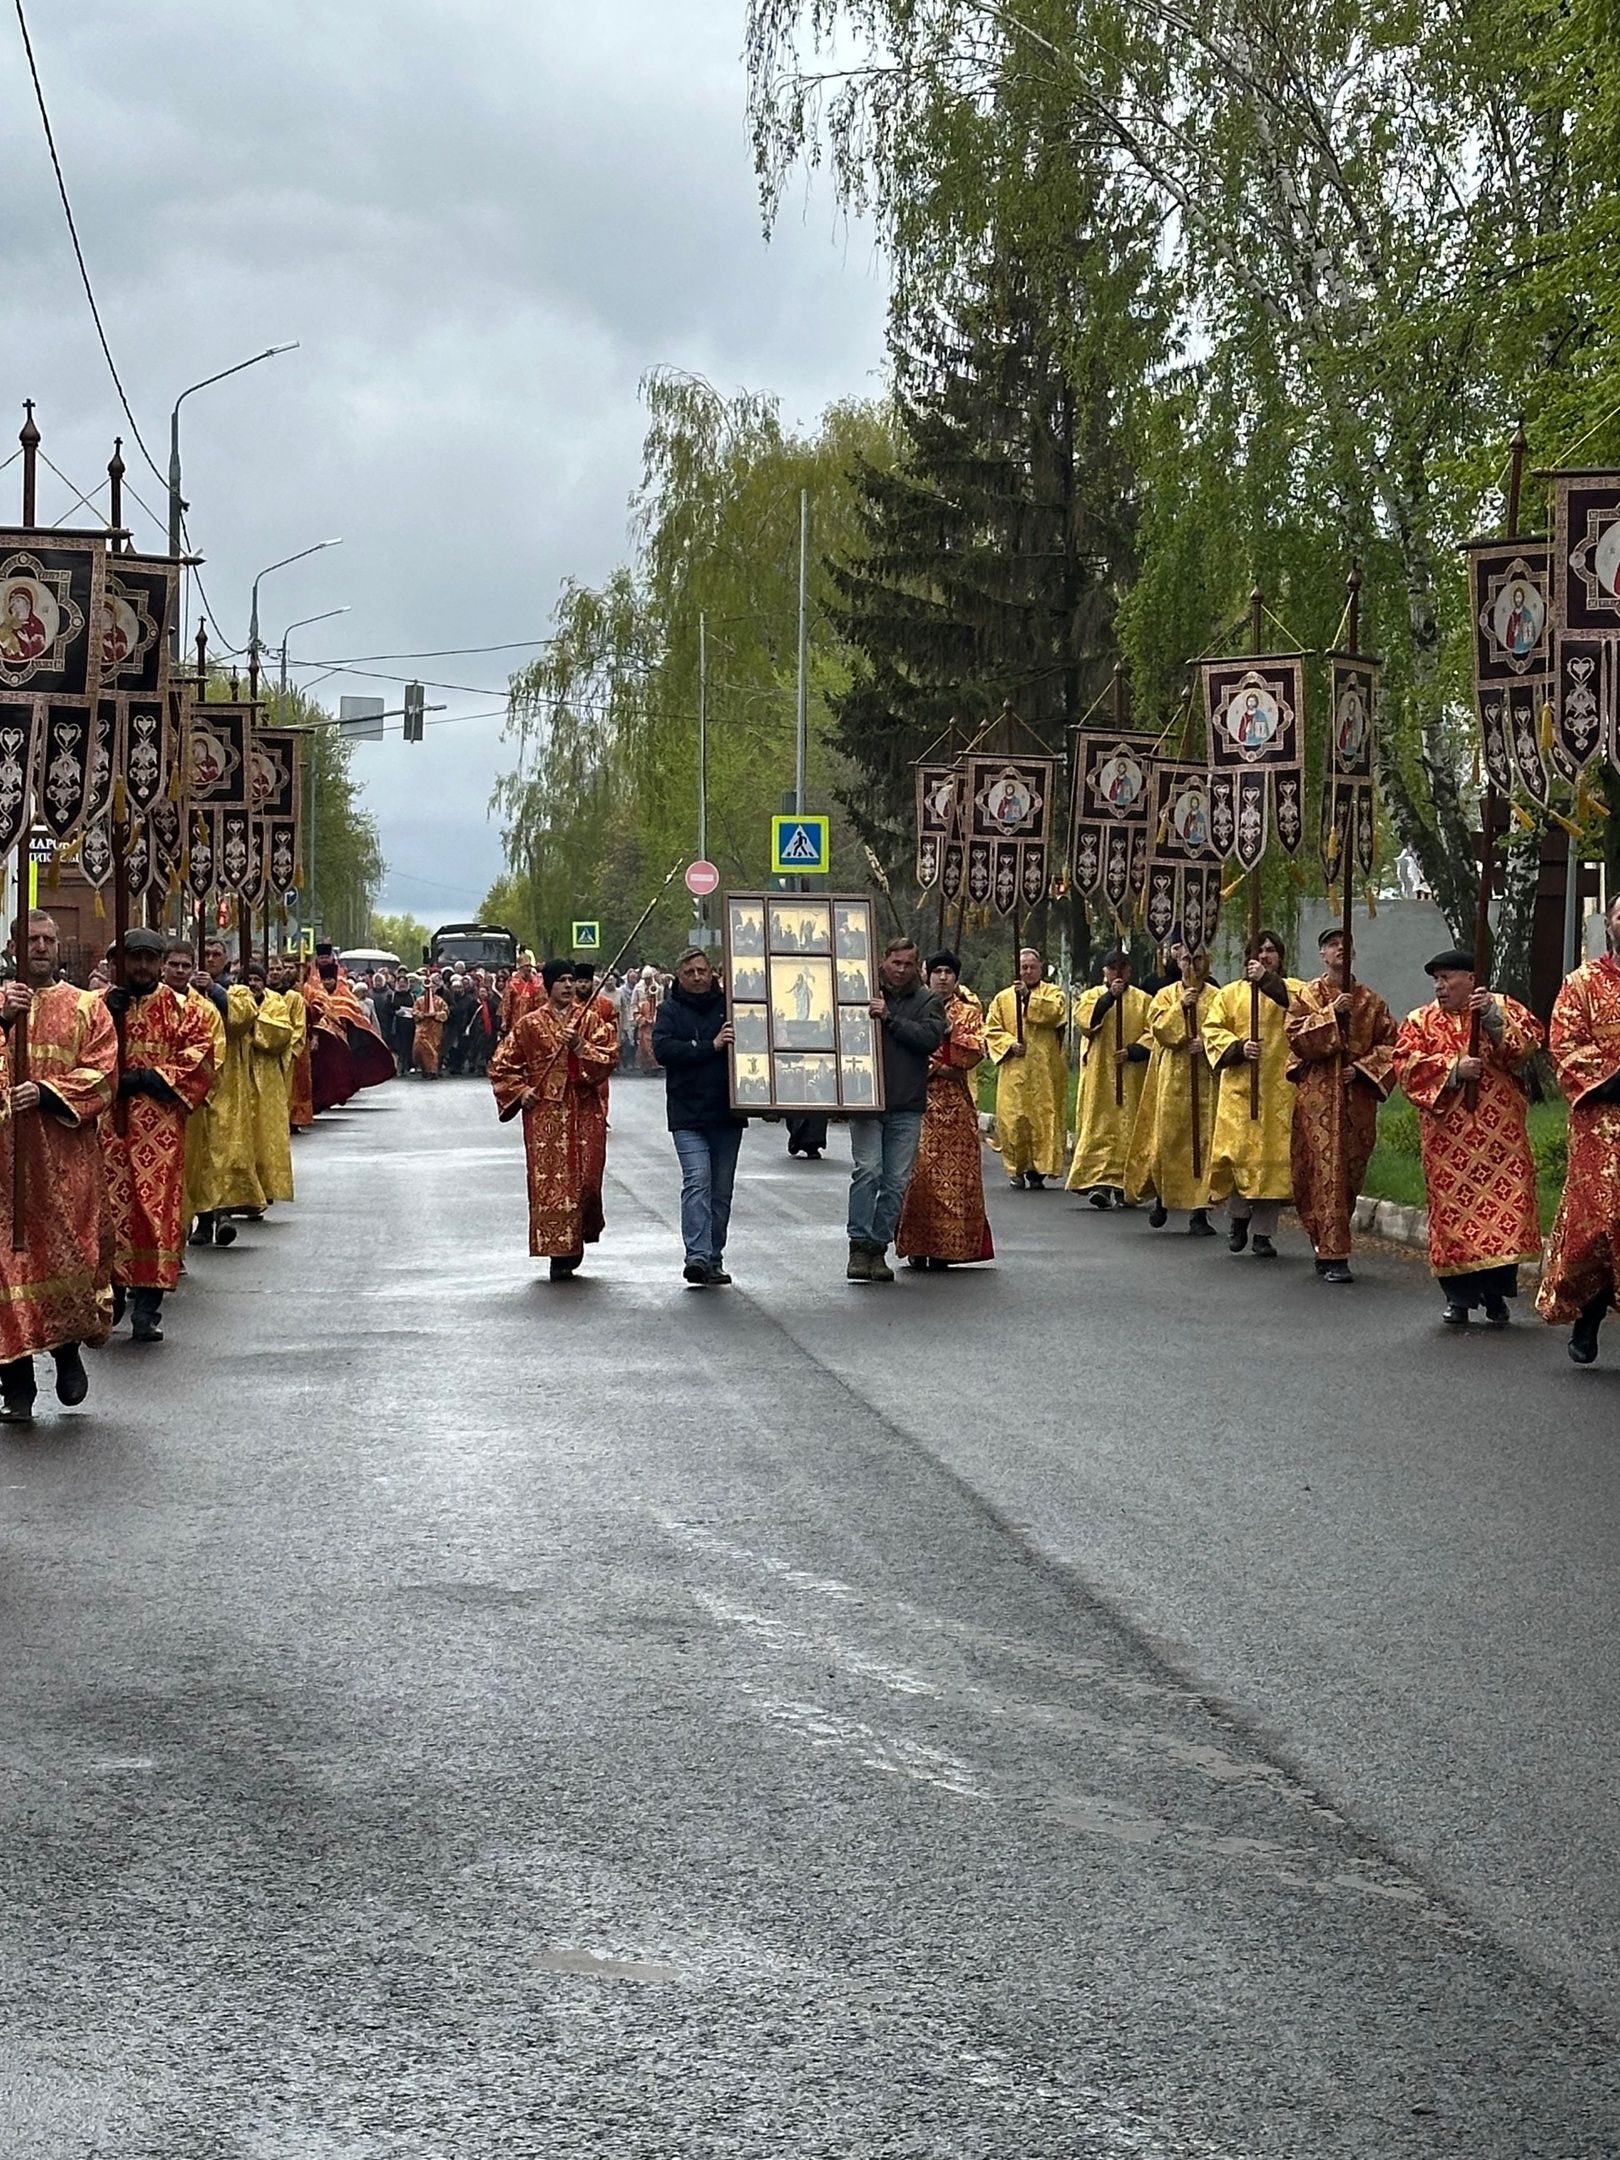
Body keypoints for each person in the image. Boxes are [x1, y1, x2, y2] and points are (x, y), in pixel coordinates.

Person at [0, 911, 117, 1420]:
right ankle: (16, 1387)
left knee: (66, 1260)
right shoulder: (1, 1005)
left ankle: (66, 1352)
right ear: (13, 946)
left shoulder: (86, 1006)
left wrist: (47, 1092)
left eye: (49, 939)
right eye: (33, 940)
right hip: (5, 1169)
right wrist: (4, 1023)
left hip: (65, 1162)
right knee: (6, 1272)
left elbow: (104, 1074)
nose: (43, 947)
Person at [1393, 949, 1544, 1327]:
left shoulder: (1501, 1007)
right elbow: (1405, 1066)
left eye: (1447, 978)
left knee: (1505, 1213)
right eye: (1436, 980)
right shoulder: (1420, 1021)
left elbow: (1527, 1046)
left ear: (1470, 979)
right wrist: (1453, 1070)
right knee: (1453, 1217)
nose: (1440, 987)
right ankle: (1458, 1299)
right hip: (1449, 1143)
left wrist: (1491, 1017)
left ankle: (1496, 1294)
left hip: (1500, 1140)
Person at [99, 929, 218, 1343]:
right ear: (121, 963)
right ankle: (112, 1293)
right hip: (109, 1127)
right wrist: (107, 1015)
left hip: (160, 1127)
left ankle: (147, 1307)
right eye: (135, 959)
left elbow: (201, 1055)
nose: (142, 966)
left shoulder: (182, 1009)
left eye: (150, 959)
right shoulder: (101, 1006)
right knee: (109, 1210)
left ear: (160, 963)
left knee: (154, 1213)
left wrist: (149, 1078)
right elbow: (81, 1050)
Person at [488, 959, 618, 1279]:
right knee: (552, 1184)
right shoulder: (529, 1024)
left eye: (571, 979)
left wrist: (580, 1046)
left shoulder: (589, 1020)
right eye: (561, 980)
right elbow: (501, 1065)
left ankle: (578, 1237)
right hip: (544, 1112)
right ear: (549, 985)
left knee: (587, 1182)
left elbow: (610, 1055)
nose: (569, 985)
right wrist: (521, 1092)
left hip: (584, 1108)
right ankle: (560, 1252)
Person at [1284, 927, 1397, 1283]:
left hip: (1355, 1101)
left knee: (1348, 1174)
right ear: (1322, 954)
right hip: (1317, 1099)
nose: (1339, 950)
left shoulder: (1372, 1002)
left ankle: (1331, 1244)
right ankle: (1331, 1250)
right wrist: (1331, 1013)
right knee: (1317, 1171)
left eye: (1345, 945)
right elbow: (1296, 1038)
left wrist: (1362, 1070)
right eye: (1332, 945)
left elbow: (1392, 1047)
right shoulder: (1307, 996)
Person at [1538, 895, 1620, 1362]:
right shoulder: (1582, 983)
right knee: (1601, 1224)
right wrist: (1613, 1079)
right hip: (1600, 1121)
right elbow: (1565, 1042)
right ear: (1609, 924)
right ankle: (1588, 1315)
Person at [845, 937, 948, 1282]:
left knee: (895, 1181)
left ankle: (878, 1247)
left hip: (906, 1103)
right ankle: (858, 1244)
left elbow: (929, 1038)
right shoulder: (862, 991)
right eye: (895, 962)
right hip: (866, 1099)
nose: (901, 970)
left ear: (916, 966)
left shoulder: (928, 1000)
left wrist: (890, 1019)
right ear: (883, 961)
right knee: (868, 1170)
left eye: (908, 964)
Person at [1203, 931, 1301, 1258]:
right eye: (1259, 950)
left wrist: (1267, 982)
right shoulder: (1230, 994)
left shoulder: (1294, 989)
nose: (1265, 955)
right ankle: (1238, 1219)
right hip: (1240, 1090)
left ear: (1280, 956)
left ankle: (1263, 1234)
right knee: (1237, 1158)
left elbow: (1304, 1010)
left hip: (1279, 1091)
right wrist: (1238, 1048)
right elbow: (1212, 1029)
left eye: (1271, 950)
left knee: (1273, 1166)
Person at [653, 945, 746, 1286]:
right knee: (697, 1180)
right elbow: (663, 1049)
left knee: (720, 1191)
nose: (697, 977)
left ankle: (714, 1256)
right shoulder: (669, 1010)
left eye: (702, 971)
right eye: (690, 972)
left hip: (727, 1112)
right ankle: (697, 1255)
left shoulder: (729, 1007)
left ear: (712, 974)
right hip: (687, 1112)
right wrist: (709, 1046)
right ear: (679, 976)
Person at [894, 950, 993, 1270]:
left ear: (956, 978)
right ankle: (917, 1244)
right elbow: (904, 1042)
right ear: (927, 975)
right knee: (918, 1175)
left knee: (956, 1179)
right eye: (937, 971)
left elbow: (974, 1051)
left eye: (949, 972)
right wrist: (937, 1063)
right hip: (918, 1099)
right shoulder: (915, 1006)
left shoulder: (969, 1012)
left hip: (955, 1107)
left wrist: (952, 1035)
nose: (943, 977)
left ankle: (948, 1248)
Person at [1125, 944, 1219, 1234]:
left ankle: (1199, 1211)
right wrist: (1182, 1007)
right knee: (1167, 1140)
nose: (1192, 965)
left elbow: (1225, 1030)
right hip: (1172, 1079)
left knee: (1204, 1143)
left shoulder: (1218, 996)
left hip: (1207, 1079)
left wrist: (1207, 1043)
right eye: (1187, 959)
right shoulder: (1166, 995)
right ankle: (1163, 1198)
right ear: (1178, 963)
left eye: (1198, 958)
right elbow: (1161, 1030)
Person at [1065, 950, 1151, 1207]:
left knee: (1130, 1128)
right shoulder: (1090, 996)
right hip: (1100, 1074)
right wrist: (1109, 997)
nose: (1117, 972)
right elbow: (1086, 1023)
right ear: (1105, 971)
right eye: (1112, 968)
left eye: (1122, 967)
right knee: (1100, 1127)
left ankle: (1126, 1185)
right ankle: (1099, 1182)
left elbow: (1153, 1032)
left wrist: (1134, 1051)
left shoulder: (1144, 1000)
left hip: (1131, 1076)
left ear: (1129, 971)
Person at [984, 948, 1068, 1189]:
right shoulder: (1003, 999)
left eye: (1032, 967)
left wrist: (1028, 998)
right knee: (1014, 1118)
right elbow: (991, 1029)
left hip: (1044, 1070)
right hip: (1015, 1068)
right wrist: (1009, 1044)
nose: (1028, 971)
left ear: (1041, 968)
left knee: (1042, 1117)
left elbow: (1055, 1014)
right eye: (1024, 967)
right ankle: (1016, 1168)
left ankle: (1038, 1169)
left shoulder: (1053, 993)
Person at [242, 959, 296, 1205]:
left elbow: (282, 1035)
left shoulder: (276, 1003)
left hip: (267, 1078)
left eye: (257, 980)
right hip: (238, 1076)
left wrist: (251, 1021)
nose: (253, 984)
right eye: (249, 980)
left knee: (265, 1136)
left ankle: (266, 1186)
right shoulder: (233, 1002)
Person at [501, 950, 544, 1034]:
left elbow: (541, 1002)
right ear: (520, 968)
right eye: (526, 966)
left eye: (529, 966)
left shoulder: (536, 983)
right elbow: (506, 1004)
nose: (529, 969)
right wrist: (504, 1020)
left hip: (533, 1021)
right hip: (517, 1020)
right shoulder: (512, 983)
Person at [413, 976, 447, 1076]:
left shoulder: (440, 1001)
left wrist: (436, 1015)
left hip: (435, 1028)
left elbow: (445, 1012)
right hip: (422, 1027)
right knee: (420, 1047)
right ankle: (424, 1069)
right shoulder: (419, 1000)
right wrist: (421, 1015)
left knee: (433, 1049)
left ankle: (433, 1070)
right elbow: (414, 1012)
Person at [631, 965, 662, 1074]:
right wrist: (639, 1018)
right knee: (643, 1042)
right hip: (642, 1018)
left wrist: (656, 1017)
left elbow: (660, 1002)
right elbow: (633, 1004)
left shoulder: (658, 988)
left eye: (649, 978)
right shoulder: (638, 988)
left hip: (654, 1017)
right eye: (646, 979)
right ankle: (645, 1066)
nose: (648, 981)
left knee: (653, 1042)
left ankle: (655, 1064)